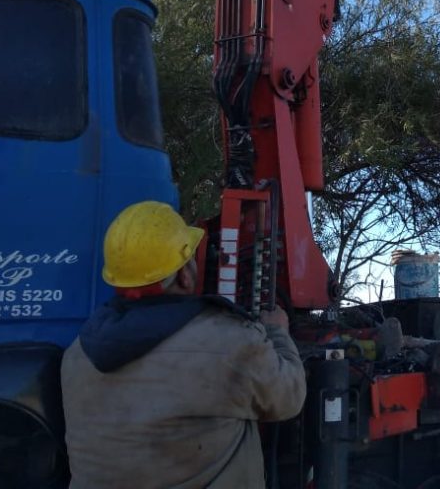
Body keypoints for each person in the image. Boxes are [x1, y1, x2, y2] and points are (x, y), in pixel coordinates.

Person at [61, 201, 306, 489]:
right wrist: (277, 332)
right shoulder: (229, 344)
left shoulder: (78, 353)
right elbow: (289, 397)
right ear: (184, 274)